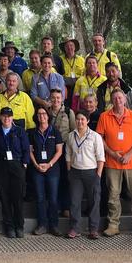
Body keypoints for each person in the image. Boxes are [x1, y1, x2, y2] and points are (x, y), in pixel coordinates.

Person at [96, 89, 132, 241]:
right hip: (112, 162)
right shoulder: (104, 116)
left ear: (125, 99)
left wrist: (129, 154)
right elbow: (99, 139)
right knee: (113, 195)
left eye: (120, 98)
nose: (118, 100)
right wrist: (112, 153)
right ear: (111, 100)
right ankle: (113, 225)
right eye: (115, 98)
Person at [65, 110, 105, 239]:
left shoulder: (95, 136)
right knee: (74, 202)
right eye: (77, 119)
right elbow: (68, 155)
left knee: (94, 201)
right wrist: (69, 171)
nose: (80, 121)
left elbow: (100, 157)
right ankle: (74, 229)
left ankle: (93, 229)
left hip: (91, 172)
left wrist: (98, 175)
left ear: (87, 121)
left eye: (82, 119)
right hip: (75, 173)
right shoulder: (71, 136)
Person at [0, 107, 30, 238]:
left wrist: (24, 164)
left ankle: (19, 226)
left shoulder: (19, 131)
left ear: (12, 118)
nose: (6, 118)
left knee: (17, 198)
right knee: (5, 198)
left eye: (9, 116)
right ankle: (9, 227)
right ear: (1, 118)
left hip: (17, 165)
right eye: (4, 116)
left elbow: (26, 149)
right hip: (2, 166)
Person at [29, 106, 64, 236]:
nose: (41, 116)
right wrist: (36, 165)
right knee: (40, 197)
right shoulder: (32, 132)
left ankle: (54, 225)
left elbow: (59, 151)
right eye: (39, 114)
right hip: (37, 169)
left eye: (44, 113)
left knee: (53, 198)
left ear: (48, 116)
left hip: (52, 169)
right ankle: (42, 225)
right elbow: (30, 151)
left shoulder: (55, 131)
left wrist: (49, 164)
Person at [49, 88, 76, 218]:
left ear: (62, 99)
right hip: (50, 150)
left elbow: (73, 131)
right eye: (53, 98)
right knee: (53, 179)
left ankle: (66, 206)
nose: (56, 100)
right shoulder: (46, 112)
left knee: (66, 179)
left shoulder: (69, 112)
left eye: (58, 98)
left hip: (65, 149)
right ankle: (54, 206)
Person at [59, 37, 85, 102]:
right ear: (64, 48)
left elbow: (84, 74)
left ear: (75, 47)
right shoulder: (60, 59)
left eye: (71, 45)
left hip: (78, 87)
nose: (69, 47)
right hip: (64, 86)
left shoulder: (81, 60)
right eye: (67, 46)